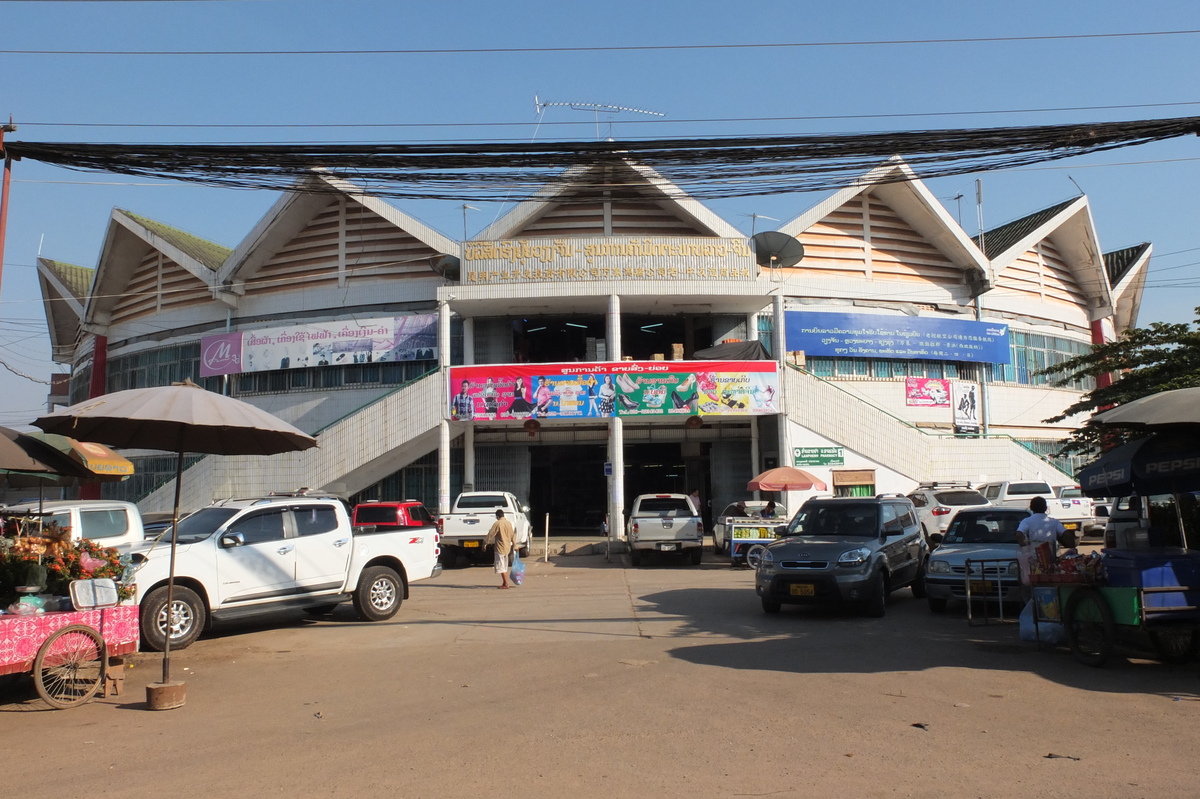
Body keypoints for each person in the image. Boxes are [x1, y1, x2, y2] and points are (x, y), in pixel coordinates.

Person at [485, 508, 516, 589]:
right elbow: (513, 535)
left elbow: (490, 534)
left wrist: (485, 543)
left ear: (497, 516)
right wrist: (515, 545)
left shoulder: (497, 523)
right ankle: (504, 582)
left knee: (501, 566)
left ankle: (506, 583)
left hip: (500, 548)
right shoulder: (508, 523)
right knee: (504, 566)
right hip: (507, 548)